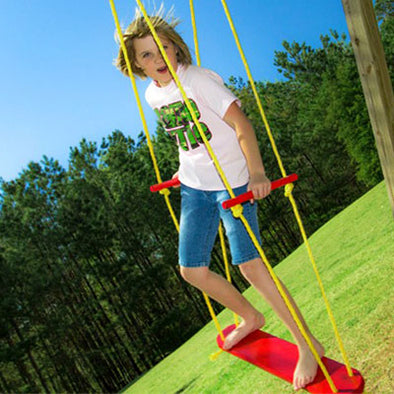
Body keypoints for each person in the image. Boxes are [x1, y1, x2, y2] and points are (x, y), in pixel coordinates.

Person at [115, 9, 324, 391]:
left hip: (234, 183)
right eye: (145, 55)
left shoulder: (198, 80)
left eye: (162, 48)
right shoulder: (152, 94)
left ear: (176, 48)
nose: (157, 58)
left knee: (250, 265)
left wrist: (258, 174)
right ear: (135, 66)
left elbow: (241, 126)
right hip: (196, 186)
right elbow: (187, 137)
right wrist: (183, 172)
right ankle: (249, 317)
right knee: (191, 270)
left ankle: (307, 344)